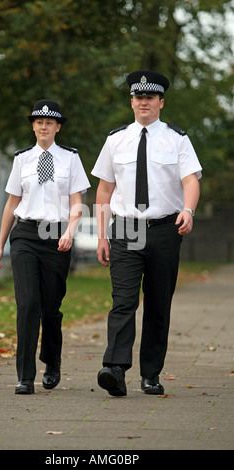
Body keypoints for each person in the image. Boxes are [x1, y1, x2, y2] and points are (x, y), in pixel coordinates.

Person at [91, 70, 202, 397]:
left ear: (160, 102)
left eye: (150, 98)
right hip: (125, 229)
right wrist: (101, 235)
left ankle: (151, 374)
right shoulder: (115, 140)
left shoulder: (177, 139)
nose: (144, 102)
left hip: (166, 229)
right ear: (132, 101)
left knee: (157, 304)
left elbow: (191, 180)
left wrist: (189, 210)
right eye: (138, 97)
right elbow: (104, 190)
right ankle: (114, 368)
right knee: (123, 301)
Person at [0, 99, 90, 394]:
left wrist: (70, 231)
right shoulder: (21, 159)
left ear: (57, 127)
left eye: (49, 122)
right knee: (28, 304)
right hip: (24, 235)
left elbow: (76, 202)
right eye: (38, 122)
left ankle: (52, 361)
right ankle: (25, 375)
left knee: (50, 307)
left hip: (57, 237)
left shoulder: (71, 159)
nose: (43, 126)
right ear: (33, 126)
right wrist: (0, 247)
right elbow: (12, 203)